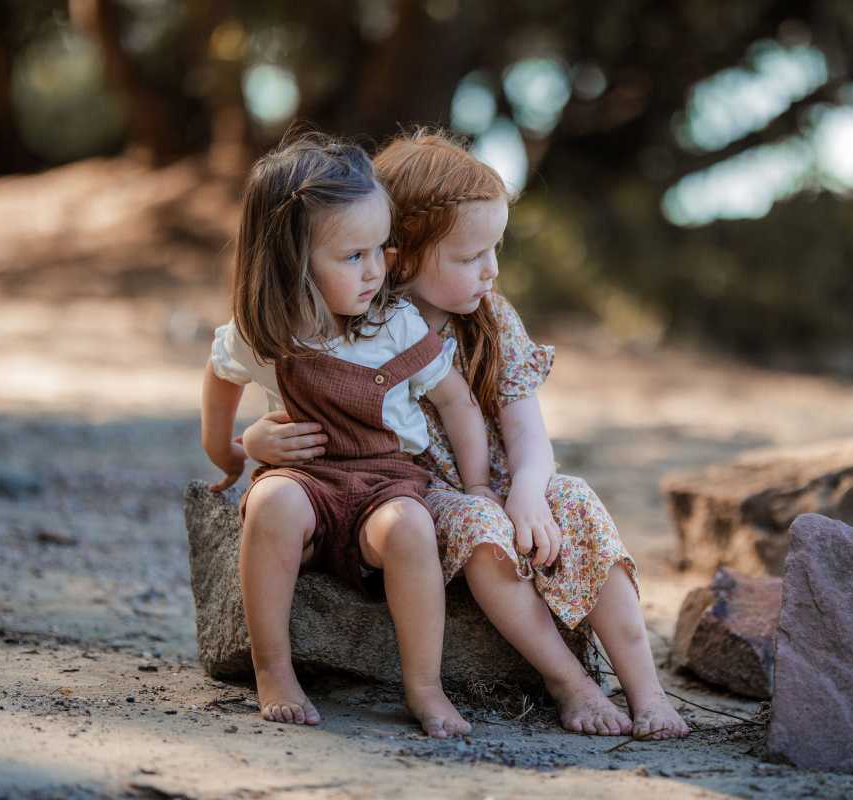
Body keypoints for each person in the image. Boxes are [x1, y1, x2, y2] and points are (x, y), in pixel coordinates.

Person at [244, 130, 690, 740]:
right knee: (481, 530)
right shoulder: (356, 320)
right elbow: (297, 411)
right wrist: (258, 441)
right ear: (400, 254)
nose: (492, 270)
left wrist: (529, 492)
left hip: (503, 483)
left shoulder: (492, 319)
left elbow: (529, 432)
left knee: (578, 502)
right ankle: (570, 682)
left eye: (496, 249)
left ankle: (648, 692)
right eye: (468, 256)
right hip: (419, 494)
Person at [201, 131, 491, 738]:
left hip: (386, 484)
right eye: (353, 255)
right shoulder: (265, 332)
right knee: (273, 505)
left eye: (380, 248)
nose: (377, 269)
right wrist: (228, 447)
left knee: (411, 529)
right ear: (290, 259)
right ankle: (273, 668)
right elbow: (220, 374)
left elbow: (456, 401)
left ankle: (424, 688)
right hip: (304, 481)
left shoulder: (395, 323)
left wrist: (478, 486)